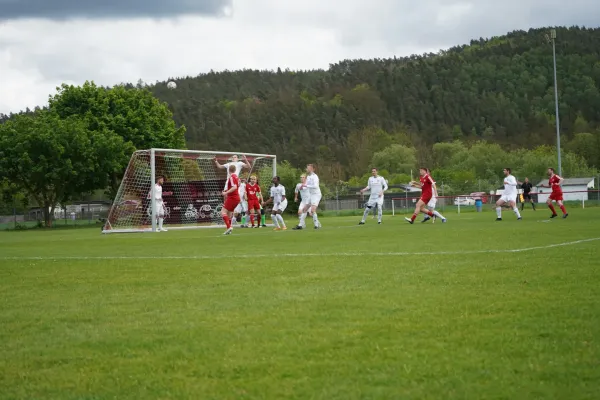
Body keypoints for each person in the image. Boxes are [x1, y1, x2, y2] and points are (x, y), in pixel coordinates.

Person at [221, 164, 241, 235]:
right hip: (236, 198)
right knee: (229, 214)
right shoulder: (237, 177)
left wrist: (226, 192)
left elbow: (234, 187)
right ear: (235, 170)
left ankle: (229, 227)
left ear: (228, 170)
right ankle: (228, 229)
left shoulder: (232, 177)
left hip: (232, 197)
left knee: (223, 212)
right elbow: (238, 186)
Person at [303, 164, 322, 229]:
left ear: (312, 169)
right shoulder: (308, 177)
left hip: (316, 195)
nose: (306, 169)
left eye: (308, 168)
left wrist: (306, 186)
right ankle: (301, 225)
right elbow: (306, 185)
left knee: (312, 210)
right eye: (307, 168)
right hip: (311, 195)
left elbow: (315, 186)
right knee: (304, 209)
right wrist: (303, 187)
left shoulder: (315, 176)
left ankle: (316, 225)